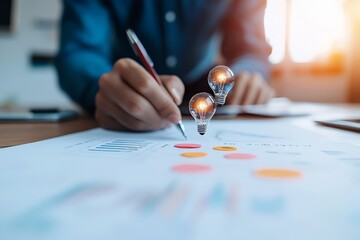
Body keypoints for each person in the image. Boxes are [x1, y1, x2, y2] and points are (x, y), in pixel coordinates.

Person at [56, 0, 275, 131]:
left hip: (211, 93)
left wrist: (247, 75)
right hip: (126, 91)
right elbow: (79, 50)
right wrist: (101, 87)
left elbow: (250, 50)